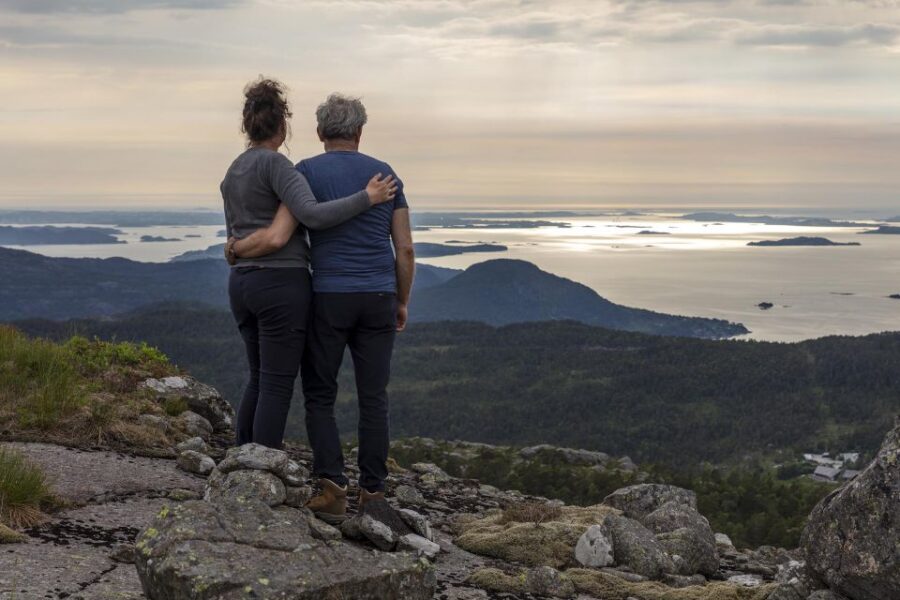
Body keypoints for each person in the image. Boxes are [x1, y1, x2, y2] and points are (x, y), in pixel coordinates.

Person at [231, 92, 415, 523]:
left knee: (319, 395)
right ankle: (373, 493)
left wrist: (237, 248)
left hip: (328, 297)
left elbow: (286, 228)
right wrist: (401, 299)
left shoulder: (305, 172)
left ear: (319, 132)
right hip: (378, 296)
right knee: (374, 397)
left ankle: (332, 490)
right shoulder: (385, 175)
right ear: (360, 131)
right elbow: (404, 248)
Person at [222, 78, 397, 449]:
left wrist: (236, 250)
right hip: (279, 284)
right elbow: (312, 216)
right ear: (283, 126)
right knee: (276, 383)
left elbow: (235, 234)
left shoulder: (234, 170)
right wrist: (366, 198)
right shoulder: (280, 166)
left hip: (240, 283)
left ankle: (242, 455)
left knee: (258, 377)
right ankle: (261, 465)